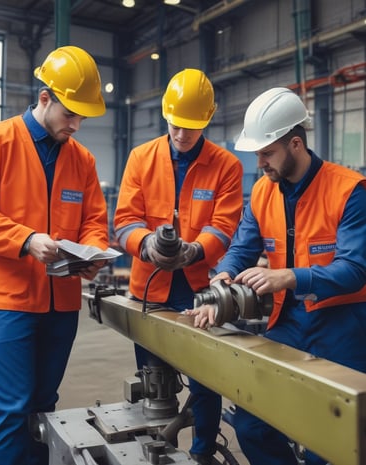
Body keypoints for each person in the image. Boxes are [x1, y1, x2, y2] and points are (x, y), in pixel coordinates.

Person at [186, 86, 366, 465]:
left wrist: (290, 278)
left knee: (329, 443)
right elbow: (241, 247)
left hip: (343, 328)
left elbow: (355, 270)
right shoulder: (262, 192)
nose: (260, 162)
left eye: (267, 152)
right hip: (288, 323)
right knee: (251, 423)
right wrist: (223, 276)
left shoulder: (348, 191)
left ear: (296, 144)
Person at [114, 68, 243, 465]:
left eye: (191, 127)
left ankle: (202, 451)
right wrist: (146, 244)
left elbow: (223, 227)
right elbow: (123, 221)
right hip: (149, 288)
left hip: (198, 288)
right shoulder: (142, 158)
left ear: (208, 118)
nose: (182, 134)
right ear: (165, 116)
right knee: (153, 379)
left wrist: (194, 251)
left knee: (206, 380)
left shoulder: (226, 166)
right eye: (175, 125)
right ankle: (158, 450)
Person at [0, 45, 110, 465]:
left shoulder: (83, 160)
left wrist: (94, 250)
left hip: (61, 302)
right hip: (9, 301)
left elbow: (94, 219)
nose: (76, 125)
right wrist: (25, 239)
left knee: (44, 405)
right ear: (45, 98)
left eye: (82, 117)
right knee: (10, 408)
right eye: (69, 114)